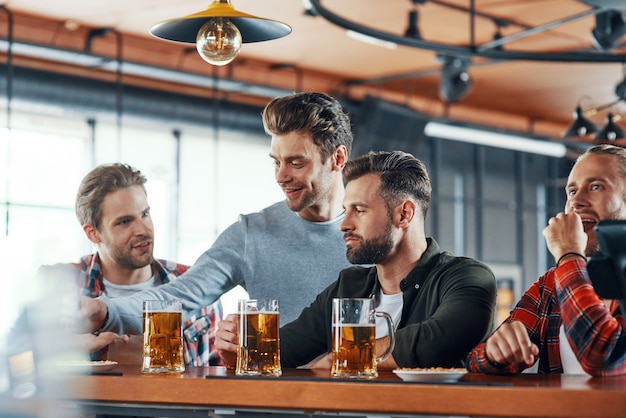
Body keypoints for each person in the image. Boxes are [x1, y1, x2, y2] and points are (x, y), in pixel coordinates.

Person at [77, 92, 355, 338]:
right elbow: (178, 297)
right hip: (279, 395)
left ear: (338, 159)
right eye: (276, 162)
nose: (281, 176)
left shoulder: (376, 231)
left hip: (369, 393)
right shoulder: (251, 234)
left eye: (296, 162)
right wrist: (105, 311)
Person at [216, 150, 497, 369]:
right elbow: (282, 352)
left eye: (359, 210)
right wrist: (239, 352)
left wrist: (344, 356)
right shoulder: (348, 286)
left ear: (404, 214)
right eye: (345, 210)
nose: (344, 224)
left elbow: (437, 342)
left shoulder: (467, 277)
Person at [39, 163, 223, 365]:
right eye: (125, 222)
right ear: (93, 233)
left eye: (145, 214)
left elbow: (215, 374)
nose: (143, 229)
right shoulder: (60, 284)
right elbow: (14, 370)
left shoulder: (194, 283)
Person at [466, 144, 626, 377]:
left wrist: (569, 253)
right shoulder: (551, 284)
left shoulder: (565, 267)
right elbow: (476, 361)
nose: (576, 202)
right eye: (571, 191)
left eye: (596, 186)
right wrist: (495, 353)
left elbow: (603, 357)